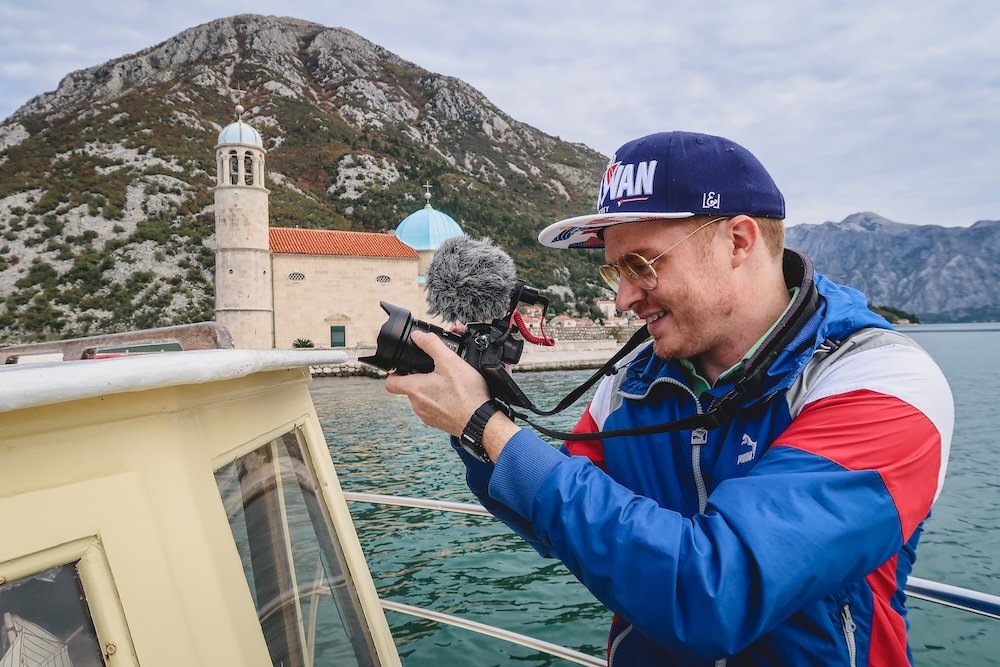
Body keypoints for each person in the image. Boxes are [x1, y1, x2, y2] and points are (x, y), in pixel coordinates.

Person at [385, 131, 953, 666]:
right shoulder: (628, 382)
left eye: (642, 264)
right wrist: (474, 421)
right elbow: (548, 513)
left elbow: (715, 592)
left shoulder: (881, 384)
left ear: (737, 241)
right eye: (615, 272)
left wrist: (484, 423)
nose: (627, 297)